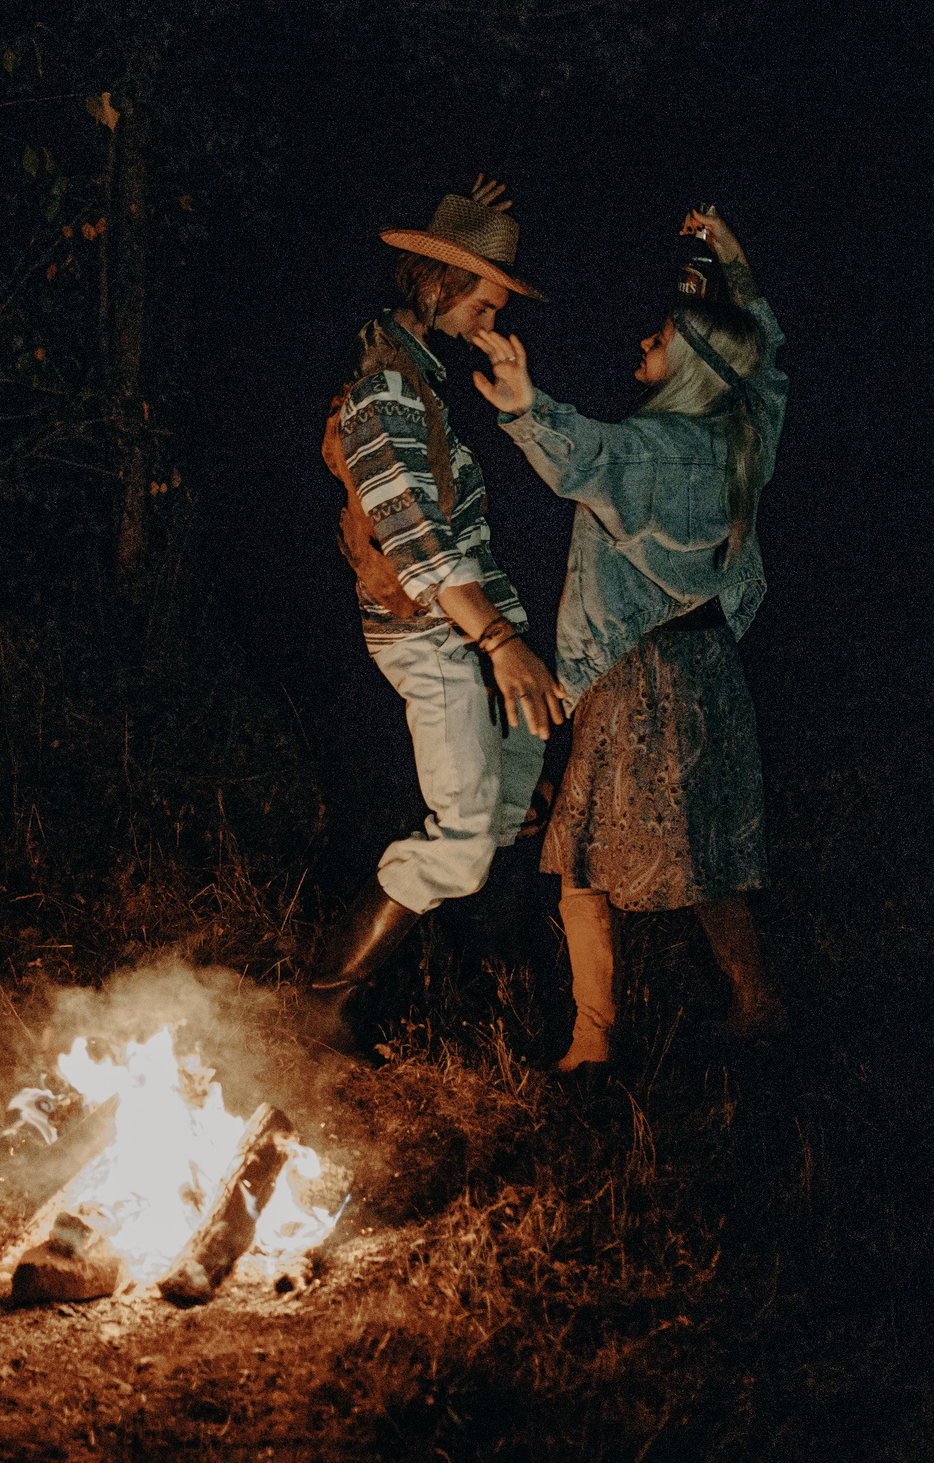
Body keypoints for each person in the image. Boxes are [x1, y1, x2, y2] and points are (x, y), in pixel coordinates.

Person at [467, 205, 790, 1072]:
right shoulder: (742, 440)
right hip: (711, 666)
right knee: (710, 852)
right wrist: (737, 265)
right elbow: (769, 373)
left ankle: (593, 1039)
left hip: (638, 673)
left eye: (662, 335)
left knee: (578, 856)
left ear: (692, 360)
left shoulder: (654, 449)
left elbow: (588, 457)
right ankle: (760, 1005)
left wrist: (528, 408)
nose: (643, 340)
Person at [297, 178, 573, 1054]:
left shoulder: (418, 375)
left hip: (469, 630)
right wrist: (497, 642)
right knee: (462, 839)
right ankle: (318, 1009)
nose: (492, 314)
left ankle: (482, 997)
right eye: (484, 296)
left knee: (495, 822)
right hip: (436, 635)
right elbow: (410, 532)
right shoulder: (383, 386)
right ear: (436, 285)